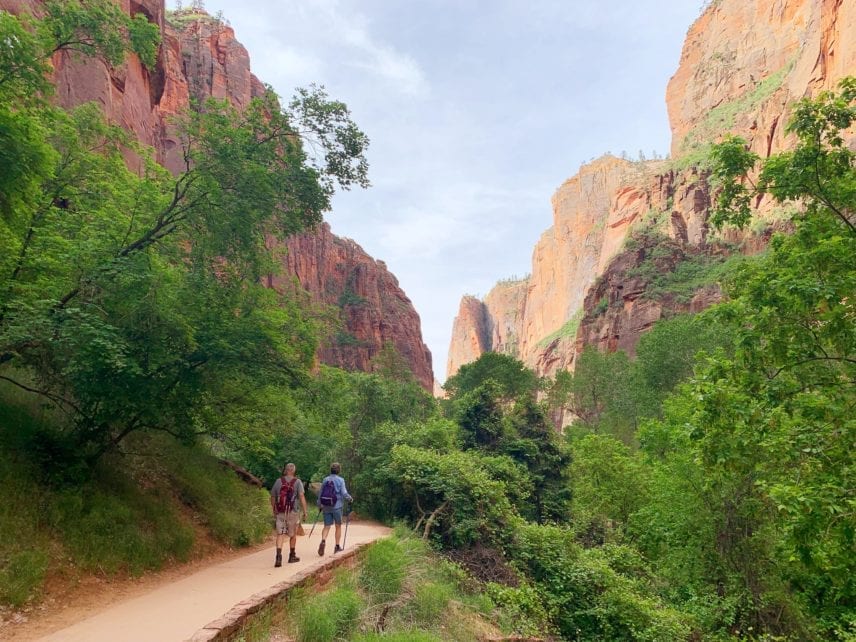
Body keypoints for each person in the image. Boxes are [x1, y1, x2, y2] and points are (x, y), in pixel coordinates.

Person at [270, 463, 308, 567]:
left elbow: (273, 496)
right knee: (293, 535)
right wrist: (305, 511)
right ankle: (292, 556)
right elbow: (301, 496)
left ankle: (278, 556)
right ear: (293, 471)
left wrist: (274, 509)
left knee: (280, 534)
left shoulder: (278, 481)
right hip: (293, 511)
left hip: (280, 511)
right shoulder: (297, 482)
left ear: (286, 470)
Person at [317, 462, 353, 556]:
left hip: (326, 506)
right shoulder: (341, 480)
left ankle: (323, 541)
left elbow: (320, 493)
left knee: (327, 526)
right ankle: (337, 547)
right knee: (338, 526)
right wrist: (350, 498)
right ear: (339, 470)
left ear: (331, 470)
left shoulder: (325, 479)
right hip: (337, 506)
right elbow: (344, 493)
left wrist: (319, 504)